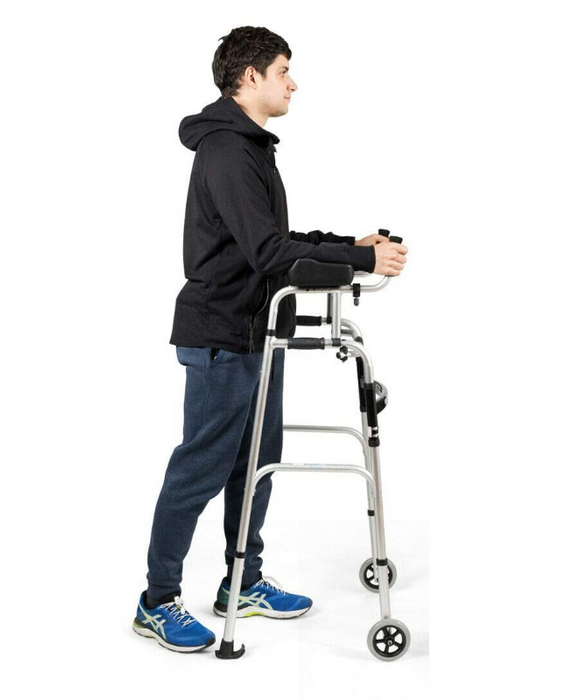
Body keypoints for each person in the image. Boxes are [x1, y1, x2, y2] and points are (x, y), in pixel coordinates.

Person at [132, 26, 408, 654]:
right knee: (199, 470)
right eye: (284, 70)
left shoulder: (251, 147)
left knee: (254, 466)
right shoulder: (228, 150)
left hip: (259, 331)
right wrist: (358, 260)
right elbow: (268, 253)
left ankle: (243, 582)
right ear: (249, 76)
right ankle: (157, 601)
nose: (293, 83)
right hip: (222, 334)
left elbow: (272, 240)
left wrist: (352, 245)